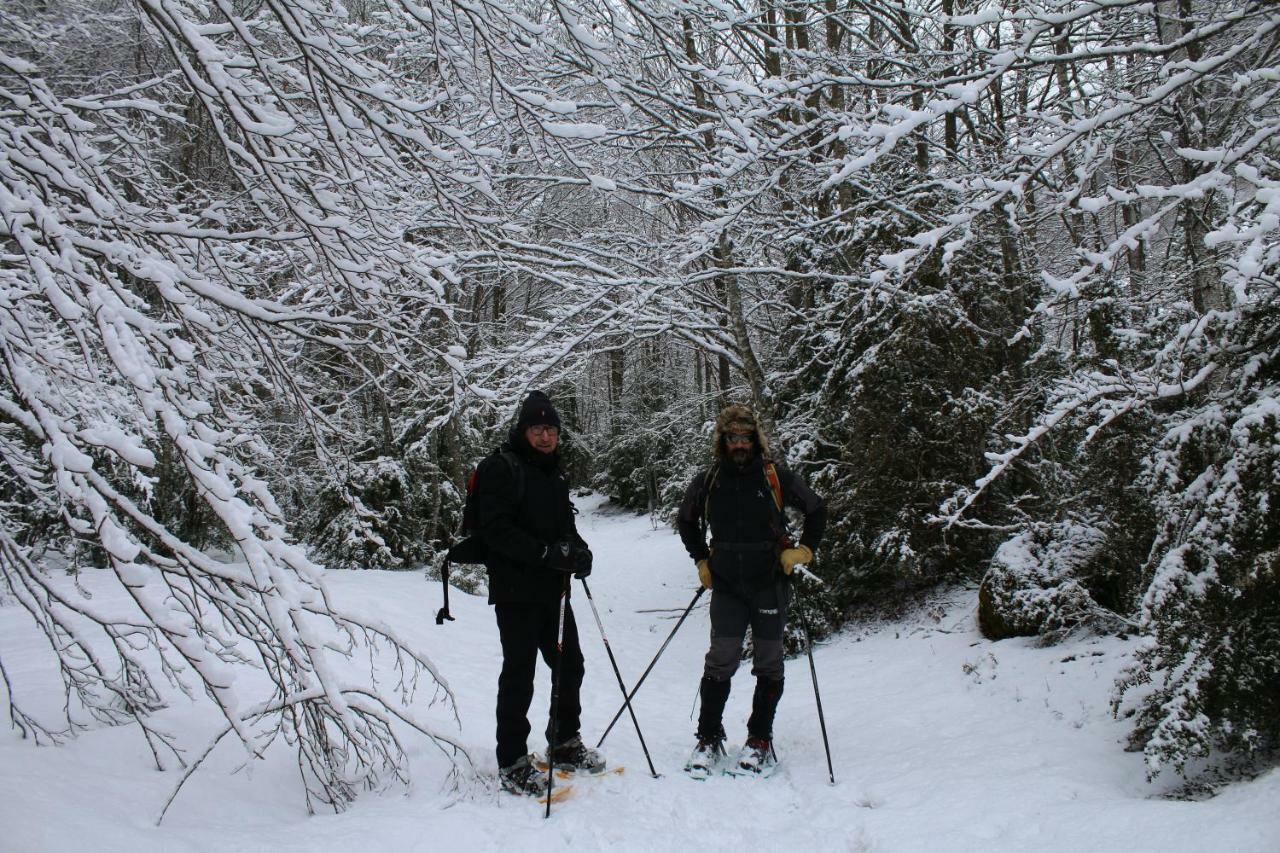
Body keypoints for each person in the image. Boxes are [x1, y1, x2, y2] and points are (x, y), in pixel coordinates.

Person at [676, 404, 826, 776]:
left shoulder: (775, 477)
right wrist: (701, 560)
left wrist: (802, 550)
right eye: (732, 438)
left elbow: (816, 508)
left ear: (755, 439)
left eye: (745, 437)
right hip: (726, 582)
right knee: (721, 659)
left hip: (769, 581)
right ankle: (708, 737)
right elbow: (686, 520)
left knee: (769, 661)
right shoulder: (709, 480)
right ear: (723, 441)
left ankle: (760, 739)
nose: (739, 444)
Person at [472, 390, 604, 796]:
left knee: (570, 665)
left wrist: (579, 552)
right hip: (515, 591)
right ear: (523, 430)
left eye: (551, 429)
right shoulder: (501, 469)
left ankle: (563, 742)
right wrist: (545, 553)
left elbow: (564, 526)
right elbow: (494, 529)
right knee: (520, 674)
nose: (545, 436)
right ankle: (512, 760)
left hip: (553, 589)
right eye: (537, 429)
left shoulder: (554, 473)